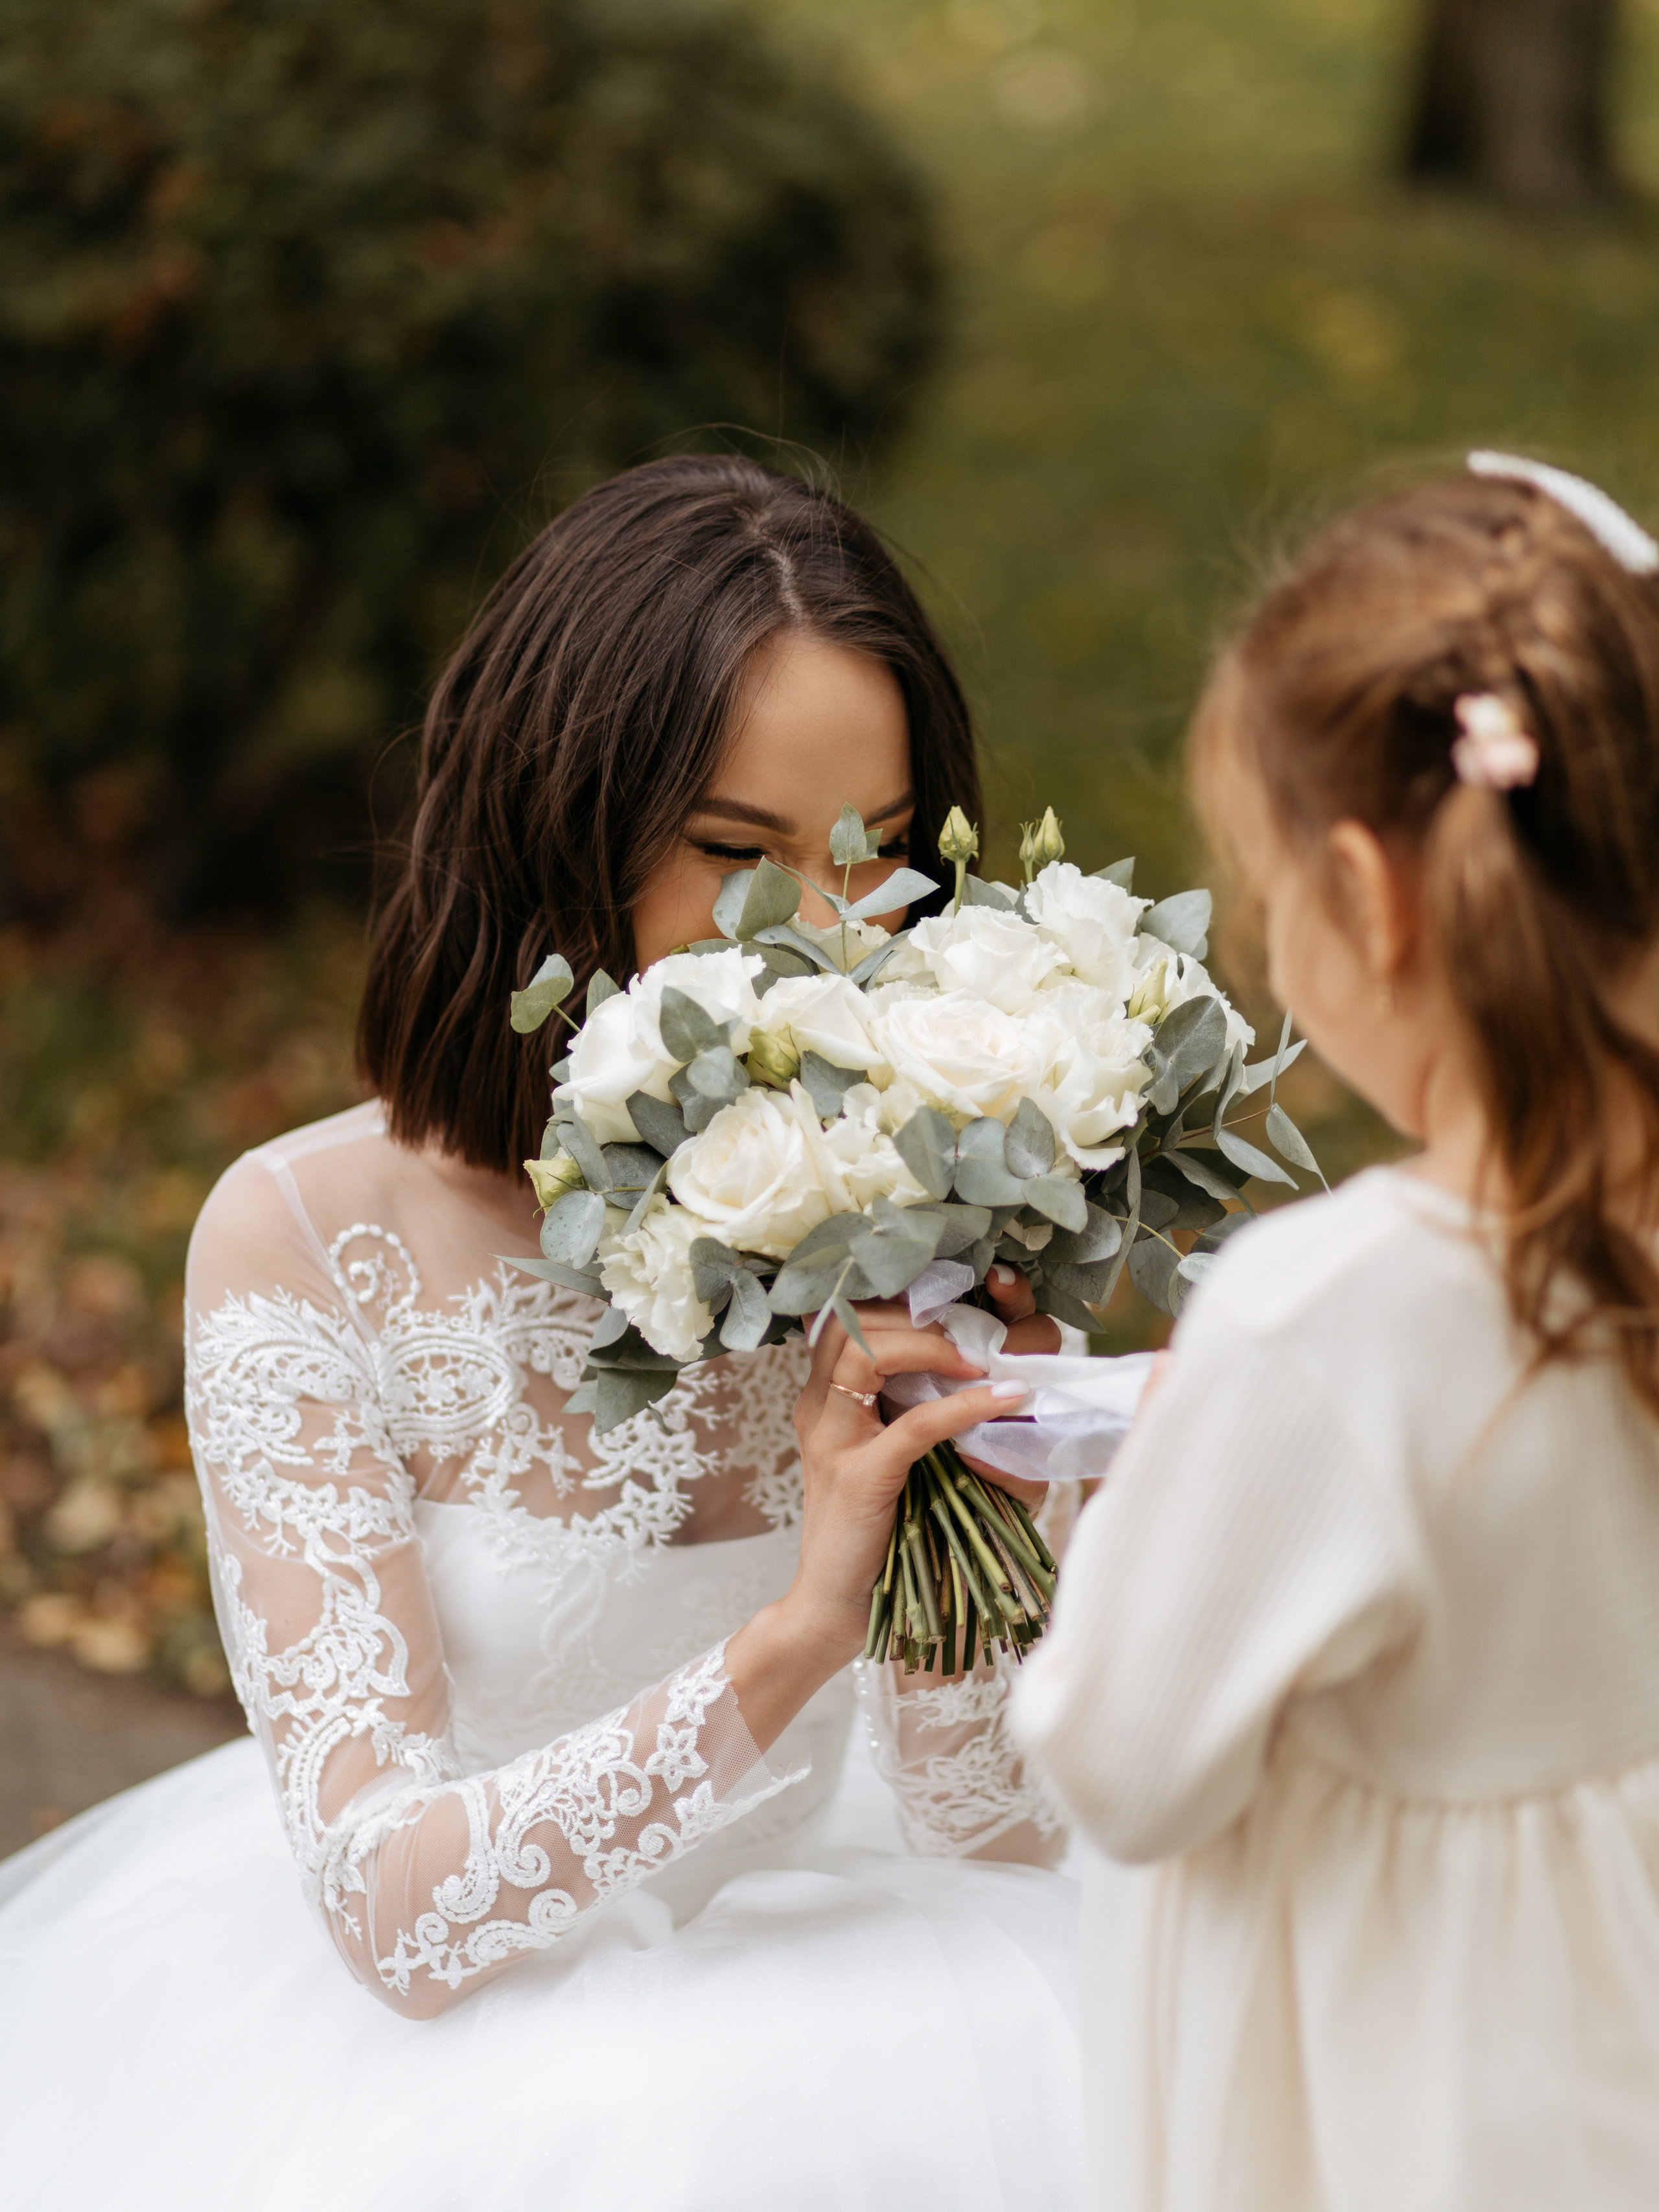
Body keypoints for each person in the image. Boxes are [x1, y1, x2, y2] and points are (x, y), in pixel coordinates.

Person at [0, 455, 1089, 2209]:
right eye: (736, 853)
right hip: (464, 2074)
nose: (820, 938)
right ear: (554, 824)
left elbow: (994, 1831)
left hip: (890, 2015)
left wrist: (987, 1539)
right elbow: (396, 1911)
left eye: (876, 859)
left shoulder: (913, 1208)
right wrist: (804, 1629)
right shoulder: (305, 1242)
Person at [1014, 458, 1659, 2209]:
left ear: (1368, 896)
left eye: (1258, 882)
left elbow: (1124, 1762)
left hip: (1412, 2116)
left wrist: (1103, 1502)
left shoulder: (1327, 1317)